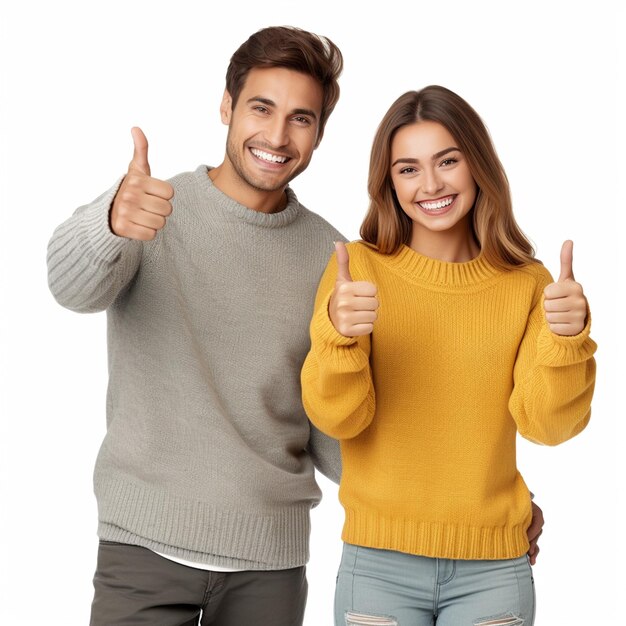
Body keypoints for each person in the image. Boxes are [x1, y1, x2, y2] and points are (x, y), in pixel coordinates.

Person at [47, 27, 544, 623]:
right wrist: (109, 220)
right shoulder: (151, 210)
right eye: (261, 108)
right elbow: (71, 290)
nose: (278, 137)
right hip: (143, 548)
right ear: (227, 106)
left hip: (271, 566)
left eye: (301, 118)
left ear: (319, 134)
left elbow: (338, 420)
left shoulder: (332, 257)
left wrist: (482, 506)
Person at [301, 85, 596, 626]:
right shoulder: (358, 271)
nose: (431, 185)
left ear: (477, 165)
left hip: (494, 571)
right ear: (388, 181)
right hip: (378, 567)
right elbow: (337, 417)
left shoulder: (527, 283)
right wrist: (339, 337)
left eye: (448, 161)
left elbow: (548, 427)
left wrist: (567, 341)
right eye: (408, 169)